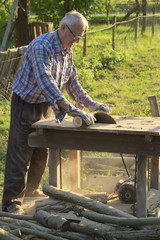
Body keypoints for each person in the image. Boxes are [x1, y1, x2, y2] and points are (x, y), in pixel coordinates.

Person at [2, 10, 111, 213]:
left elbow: (72, 83)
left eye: (81, 37)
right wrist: (71, 109)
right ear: (62, 28)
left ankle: (31, 192)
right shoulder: (41, 46)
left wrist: (92, 105)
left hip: (47, 104)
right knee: (20, 155)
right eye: (76, 36)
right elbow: (46, 82)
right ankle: (11, 204)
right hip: (25, 104)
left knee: (41, 152)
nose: (77, 41)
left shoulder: (66, 49)